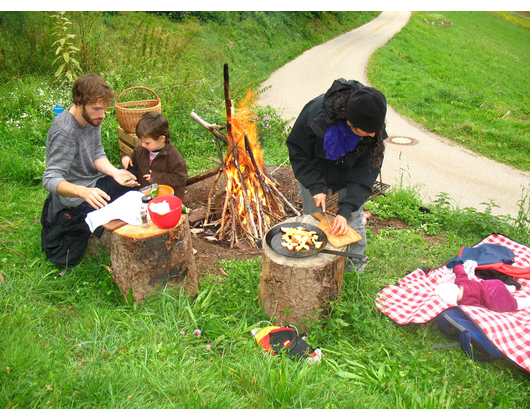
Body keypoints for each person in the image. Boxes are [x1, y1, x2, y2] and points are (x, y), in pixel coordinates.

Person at [286, 78, 387, 270]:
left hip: (349, 173)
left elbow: (365, 173)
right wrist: (316, 186)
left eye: (375, 131)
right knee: (313, 218)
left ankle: (354, 269)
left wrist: (346, 210)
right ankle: (312, 266)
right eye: (368, 132)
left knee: (353, 221)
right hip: (314, 170)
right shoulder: (314, 115)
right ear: (350, 122)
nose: (374, 136)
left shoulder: (373, 125)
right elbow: (299, 152)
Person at [42, 73, 140, 226]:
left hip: (95, 183)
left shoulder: (91, 117)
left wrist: (115, 172)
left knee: (133, 172)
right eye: (97, 109)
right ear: (79, 102)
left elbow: (96, 152)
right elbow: (50, 178)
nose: (102, 115)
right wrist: (84, 192)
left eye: (104, 109)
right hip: (80, 198)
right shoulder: (65, 132)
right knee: (136, 184)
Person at [120, 111, 188, 201]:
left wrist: (155, 178)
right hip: (147, 195)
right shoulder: (143, 150)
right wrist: (128, 158)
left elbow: (179, 178)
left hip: (167, 199)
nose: (143, 145)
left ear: (161, 139)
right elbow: (135, 157)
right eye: (141, 141)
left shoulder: (174, 157)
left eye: (147, 143)